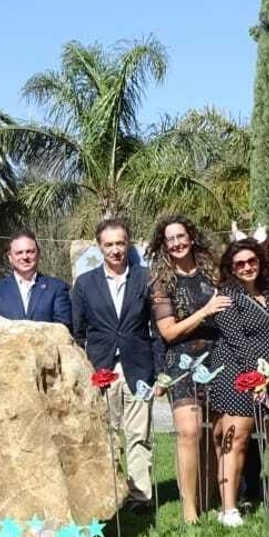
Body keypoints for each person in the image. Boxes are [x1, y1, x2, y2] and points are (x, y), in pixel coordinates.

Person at [71, 217, 162, 510]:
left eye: (120, 243)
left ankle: (140, 497)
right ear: (99, 247)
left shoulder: (145, 278)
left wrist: (159, 373)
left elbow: (157, 329)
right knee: (106, 435)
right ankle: (110, 495)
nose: (115, 250)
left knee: (139, 435)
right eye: (109, 244)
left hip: (139, 368)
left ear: (128, 244)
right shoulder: (85, 284)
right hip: (101, 370)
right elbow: (78, 331)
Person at [148, 215, 230, 524]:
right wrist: (205, 311)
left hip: (219, 357)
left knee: (213, 432)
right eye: (170, 239)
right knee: (188, 431)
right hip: (181, 363)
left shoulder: (213, 273)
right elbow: (168, 331)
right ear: (164, 245)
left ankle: (211, 498)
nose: (177, 243)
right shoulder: (161, 282)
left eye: (181, 236)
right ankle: (189, 510)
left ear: (191, 237)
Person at [207, 237, 269, 526]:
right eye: (239, 263)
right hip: (239, 375)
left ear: (260, 261)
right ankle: (228, 509)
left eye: (252, 261)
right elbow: (237, 342)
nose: (247, 267)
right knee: (237, 440)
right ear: (231, 268)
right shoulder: (227, 296)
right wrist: (257, 380)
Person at [0, 230, 71, 325]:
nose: (25, 257)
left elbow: (62, 329)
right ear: (10, 257)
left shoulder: (56, 288)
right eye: (19, 253)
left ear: (38, 254)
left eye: (30, 252)